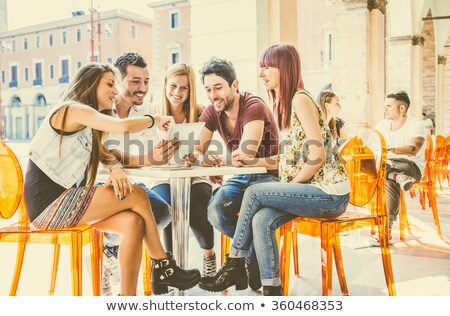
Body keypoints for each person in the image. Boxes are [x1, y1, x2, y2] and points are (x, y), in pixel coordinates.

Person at [23, 62, 200, 296]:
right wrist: (154, 119)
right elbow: (123, 126)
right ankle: (163, 266)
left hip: (66, 200)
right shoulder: (72, 109)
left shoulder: (88, 123)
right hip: (49, 205)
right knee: (136, 193)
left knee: (133, 223)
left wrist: (146, 159)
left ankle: (127, 299)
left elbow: (110, 154)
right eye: (110, 84)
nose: (115, 92)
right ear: (90, 84)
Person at [198, 44, 350, 296]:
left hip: (330, 193)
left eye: (267, 67)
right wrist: (252, 163)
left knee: (255, 193)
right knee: (261, 219)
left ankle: (233, 263)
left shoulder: (300, 98)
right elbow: (285, 160)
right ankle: (271, 289)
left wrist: (290, 188)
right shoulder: (287, 103)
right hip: (312, 190)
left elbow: (318, 156)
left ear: (285, 68)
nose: (261, 74)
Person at [191, 57, 280, 291]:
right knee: (216, 210)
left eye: (218, 87)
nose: (213, 95)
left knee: (250, 216)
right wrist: (203, 157)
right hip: (241, 178)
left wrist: (221, 160)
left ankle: (239, 265)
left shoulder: (254, 106)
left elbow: (247, 154)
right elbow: (195, 149)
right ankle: (252, 257)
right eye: (208, 89)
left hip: (268, 175)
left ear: (234, 84)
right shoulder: (213, 111)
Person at [100, 52, 176, 295]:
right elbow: (102, 153)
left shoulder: (144, 115)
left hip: (129, 187)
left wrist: (168, 149)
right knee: (140, 217)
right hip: (100, 188)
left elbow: (146, 156)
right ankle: (114, 255)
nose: (143, 88)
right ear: (118, 81)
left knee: (163, 212)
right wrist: (119, 164)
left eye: (146, 81)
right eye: (135, 81)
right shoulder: (101, 110)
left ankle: (112, 250)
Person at [147, 63, 216, 277]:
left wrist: (198, 156)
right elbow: (144, 151)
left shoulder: (200, 112)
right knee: (165, 208)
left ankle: (209, 254)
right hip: (163, 178)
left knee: (196, 212)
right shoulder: (151, 113)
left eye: (184, 88)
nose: (177, 92)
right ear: (165, 84)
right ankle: (171, 265)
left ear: (190, 89)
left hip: (194, 176)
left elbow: (202, 149)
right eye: (173, 85)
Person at [375, 90, 426, 240]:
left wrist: (389, 149)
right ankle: (396, 176)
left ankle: (385, 231)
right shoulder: (382, 125)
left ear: (402, 108)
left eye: (389, 106)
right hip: (388, 166)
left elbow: (413, 149)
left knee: (385, 175)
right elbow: (372, 144)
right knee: (383, 173)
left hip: (411, 167)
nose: (385, 109)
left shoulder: (416, 125)